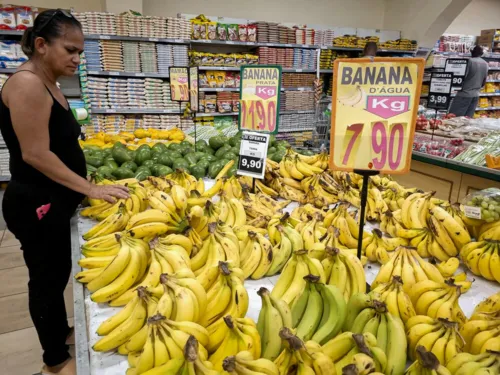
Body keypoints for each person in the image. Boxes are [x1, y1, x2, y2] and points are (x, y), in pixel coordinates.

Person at [0, 9, 129, 375]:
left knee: (56, 274)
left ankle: (59, 332)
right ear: (41, 45)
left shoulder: (50, 82)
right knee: (44, 278)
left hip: (54, 199)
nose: (76, 58)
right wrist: (90, 187)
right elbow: (35, 153)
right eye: (70, 50)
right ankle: (54, 361)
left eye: (80, 52)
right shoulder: (27, 84)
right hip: (35, 202)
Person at [449, 45, 489, 117]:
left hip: (464, 94)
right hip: (475, 95)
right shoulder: (485, 64)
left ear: (472, 52)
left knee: (454, 119)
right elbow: (484, 82)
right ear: (481, 53)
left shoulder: (469, 61)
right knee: (467, 120)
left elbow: (461, 78)